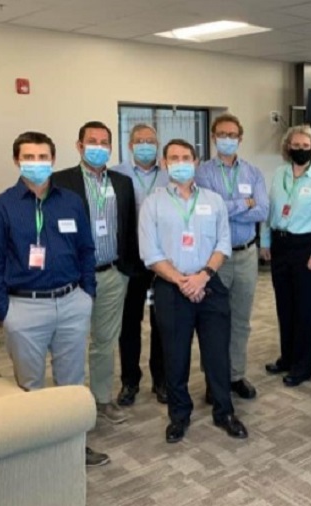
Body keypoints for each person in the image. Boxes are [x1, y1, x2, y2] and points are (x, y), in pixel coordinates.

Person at [0, 131, 109, 467]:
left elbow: (86, 250)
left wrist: (87, 294)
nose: (36, 164)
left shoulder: (71, 202)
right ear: (16, 160)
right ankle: (36, 453)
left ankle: (73, 446)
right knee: (30, 385)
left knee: (72, 382)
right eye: (29, 157)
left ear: (53, 160)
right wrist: (4, 312)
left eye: (43, 157)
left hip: (72, 302)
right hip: (24, 307)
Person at [139, 138, 248, 443]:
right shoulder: (153, 203)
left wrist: (203, 277)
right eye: (173, 158)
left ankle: (224, 412)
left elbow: (223, 243)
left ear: (196, 162)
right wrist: (182, 281)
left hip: (209, 283)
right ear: (164, 164)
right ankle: (179, 415)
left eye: (186, 157)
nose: (180, 163)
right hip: (171, 287)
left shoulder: (213, 200)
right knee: (176, 356)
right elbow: (150, 252)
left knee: (217, 353)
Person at [53, 121, 138, 425]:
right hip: (74, 279)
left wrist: (127, 271)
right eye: (92, 141)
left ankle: (102, 399)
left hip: (113, 274)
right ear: (79, 146)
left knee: (105, 342)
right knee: (70, 344)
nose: (98, 147)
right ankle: (70, 405)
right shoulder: (60, 182)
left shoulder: (122, 183)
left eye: (104, 142)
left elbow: (129, 228)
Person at [195, 113, 268, 402]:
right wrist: (244, 203)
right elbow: (207, 211)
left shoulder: (253, 172)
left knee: (241, 320)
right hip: (216, 258)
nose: (227, 139)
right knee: (213, 321)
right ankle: (214, 379)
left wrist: (227, 206)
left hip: (247, 254)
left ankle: (236, 375)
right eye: (222, 134)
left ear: (240, 138)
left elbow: (262, 210)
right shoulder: (202, 173)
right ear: (214, 138)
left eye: (232, 135)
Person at [260, 125, 311, 386]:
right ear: (287, 147)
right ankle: (287, 358)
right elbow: (269, 210)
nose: (300, 149)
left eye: (305, 146)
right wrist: (265, 241)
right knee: (285, 305)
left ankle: (303, 366)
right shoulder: (280, 173)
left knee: (305, 309)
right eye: (296, 145)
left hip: (308, 247)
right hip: (281, 244)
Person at [111, 124, 170, 406]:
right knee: (129, 323)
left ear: (157, 145)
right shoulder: (116, 174)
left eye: (150, 141)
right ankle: (130, 381)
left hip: (162, 259)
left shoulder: (169, 174)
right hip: (131, 259)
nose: (145, 145)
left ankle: (161, 379)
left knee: (162, 322)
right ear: (130, 144)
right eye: (139, 140)